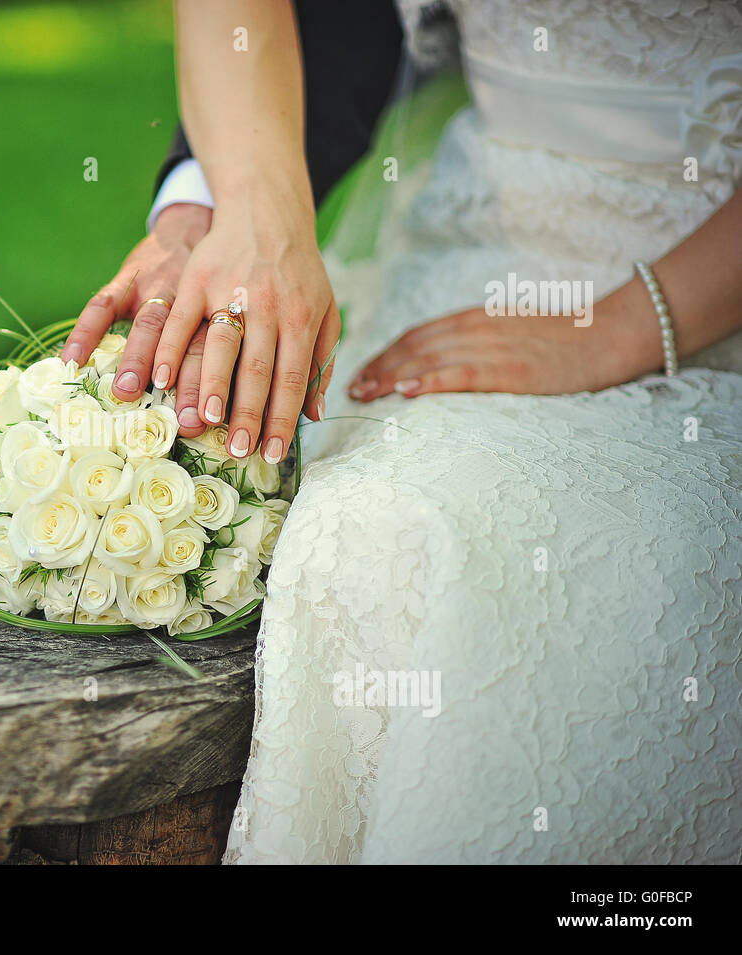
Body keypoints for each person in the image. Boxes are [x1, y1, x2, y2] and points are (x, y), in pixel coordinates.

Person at [68, 0, 742, 863]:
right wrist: (231, 213)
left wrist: (624, 325)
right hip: (480, 249)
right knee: (369, 521)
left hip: (703, 294)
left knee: (595, 559)